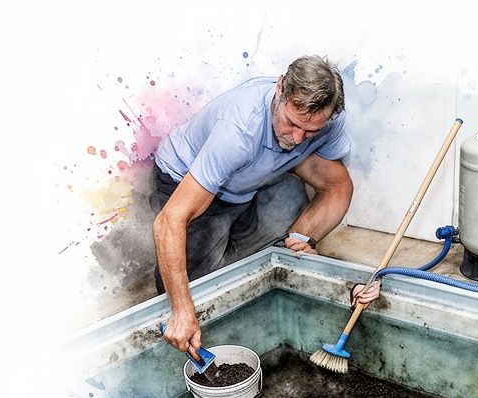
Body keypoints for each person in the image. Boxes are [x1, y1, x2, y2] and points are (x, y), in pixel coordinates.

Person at [152, 55, 380, 358]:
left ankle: (275, 245)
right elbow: (169, 222)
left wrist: (303, 241)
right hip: (186, 177)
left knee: (298, 221)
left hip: (251, 182)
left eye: (310, 132)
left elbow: (337, 185)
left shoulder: (328, 122)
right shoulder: (239, 128)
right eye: (292, 123)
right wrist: (181, 311)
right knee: (194, 289)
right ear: (280, 89)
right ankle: (219, 253)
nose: (298, 139)